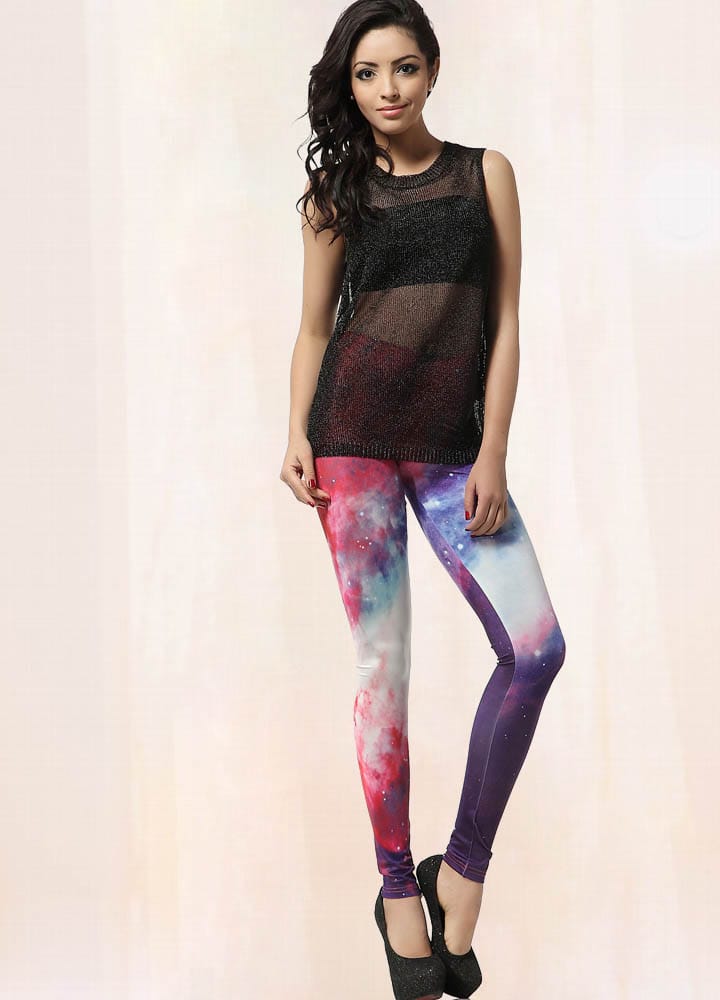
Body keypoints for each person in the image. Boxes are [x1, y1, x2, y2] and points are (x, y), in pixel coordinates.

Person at [279, 2, 566, 997]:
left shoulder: (486, 173)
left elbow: (508, 316)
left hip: (453, 450)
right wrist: (295, 433)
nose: (387, 88)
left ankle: (463, 869)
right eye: (367, 73)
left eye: (404, 67)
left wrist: (494, 451)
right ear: (350, 86)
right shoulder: (334, 193)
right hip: (351, 443)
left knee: (536, 650)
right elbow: (315, 329)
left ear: (432, 70)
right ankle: (398, 887)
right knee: (383, 669)